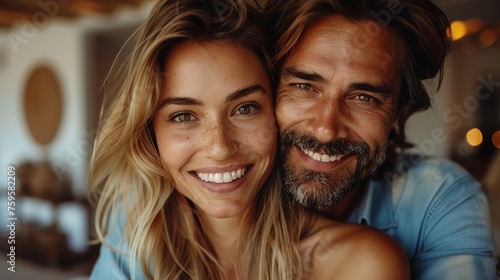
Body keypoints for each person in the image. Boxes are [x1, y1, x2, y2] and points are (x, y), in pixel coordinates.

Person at [87, 0, 409, 279]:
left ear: (276, 112)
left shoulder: (362, 263)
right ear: (150, 134)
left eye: (245, 108)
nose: (220, 147)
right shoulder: (137, 240)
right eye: (183, 116)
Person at [266, 0, 498, 278]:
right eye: (304, 86)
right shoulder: (218, 191)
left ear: (399, 114)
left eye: (364, 98)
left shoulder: (439, 197)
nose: (326, 129)